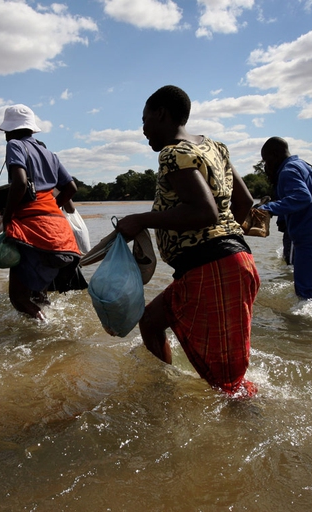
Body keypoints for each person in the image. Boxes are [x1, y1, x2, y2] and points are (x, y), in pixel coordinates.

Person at [116, 85, 260, 397]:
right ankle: (162, 393)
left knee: (229, 386)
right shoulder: (215, 147)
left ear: (161, 114)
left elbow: (204, 211)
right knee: (150, 323)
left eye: (144, 121)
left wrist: (141, 220)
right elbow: (245, 201)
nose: (143, 131)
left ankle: (250, 429)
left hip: (214, 268)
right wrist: (225, 235)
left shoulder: (173, 153)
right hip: (230, 262)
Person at [0, 104, 81, 321]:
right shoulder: (49, 153)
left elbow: (20, 183)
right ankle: (48, 333)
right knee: (39, 294)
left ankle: (47, 328)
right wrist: (50, 207)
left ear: (10, 130)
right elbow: (71, 188)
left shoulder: (15, 145)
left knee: (19, 299)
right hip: (60, 232)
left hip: (33, 230)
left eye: (6, 131)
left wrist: (7, 216)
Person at [258, 137, 312, 299]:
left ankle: (305, 323)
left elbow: (302, 197)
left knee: (304, 294)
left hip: (309, 239)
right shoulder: (302, 166)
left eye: (266, 160)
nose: (266, 165)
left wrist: (268, 208)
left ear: (274, 155)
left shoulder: (288, 171)